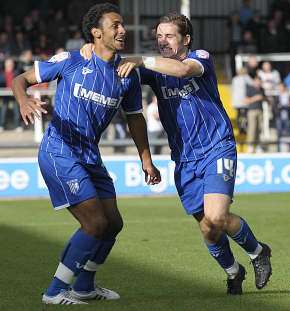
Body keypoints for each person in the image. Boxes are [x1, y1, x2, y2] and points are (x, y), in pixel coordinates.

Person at [81, 12, 272, 295]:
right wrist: (91, 49)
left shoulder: (200, 57)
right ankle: (234, 272)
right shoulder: (156, 70)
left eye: (169, 36)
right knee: (208, 227)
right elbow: (116, 66)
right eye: (159, 36)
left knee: (217, 216)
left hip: (217, 148)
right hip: (183, 159)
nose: (163, 41)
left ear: (186, 39)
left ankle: (258, 252)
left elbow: (183, 71)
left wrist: (141, 60)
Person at [12, 3, 161, 304]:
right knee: (94, 224)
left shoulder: (127, 74)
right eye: (115, 25)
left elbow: (134, 117)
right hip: (60, 150)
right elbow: (20, 80)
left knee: (113, 223)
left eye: (122, 25)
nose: (122, 30)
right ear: (96, 33)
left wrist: (146, 158)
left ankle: (84, 287)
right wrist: (23, 100)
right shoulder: (70, 60)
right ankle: (54, 291)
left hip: (89, 155)